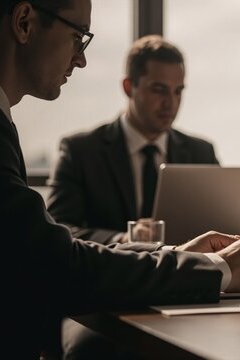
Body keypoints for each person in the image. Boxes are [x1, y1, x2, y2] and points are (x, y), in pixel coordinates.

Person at [0, 1, 240, 358]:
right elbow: (53, 257)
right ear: (24, 23)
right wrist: (215, 267)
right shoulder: (22, 136)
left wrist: (174, 253)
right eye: (77, 36)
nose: (81, 59)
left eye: (179, 92)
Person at [47, 34, 219, 245]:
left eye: (178, 92)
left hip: (185, 275)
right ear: (129, 87)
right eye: (159, 89)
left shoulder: (201, 152)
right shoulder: (81, 152)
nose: (171, 103)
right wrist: (124, 239)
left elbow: (218, 226)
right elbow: (58, 228)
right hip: (112, 276)